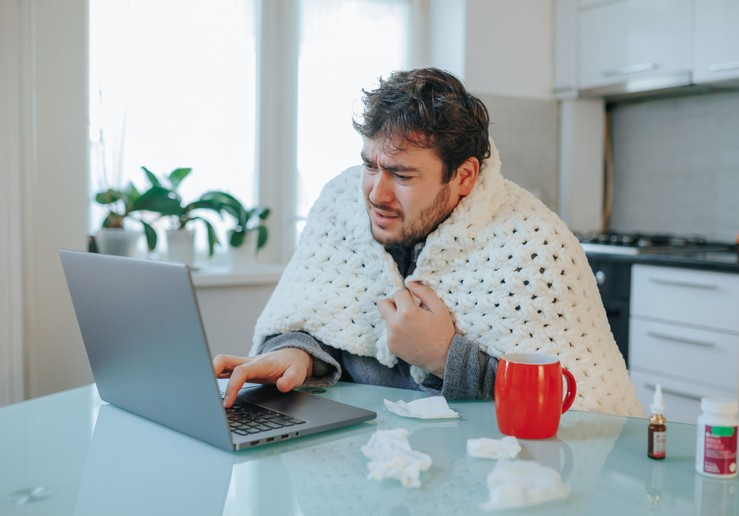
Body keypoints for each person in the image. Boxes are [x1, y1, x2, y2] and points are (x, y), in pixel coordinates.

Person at [214, 67, 643, 417]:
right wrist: (296, 354)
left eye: (401, 175)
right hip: (354, 461)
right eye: (370, 166)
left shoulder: (533, 244)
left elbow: (579, 409)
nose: (376, 194)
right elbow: (314, 319)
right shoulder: (341, 206)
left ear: (464, 176)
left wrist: (442, 355)